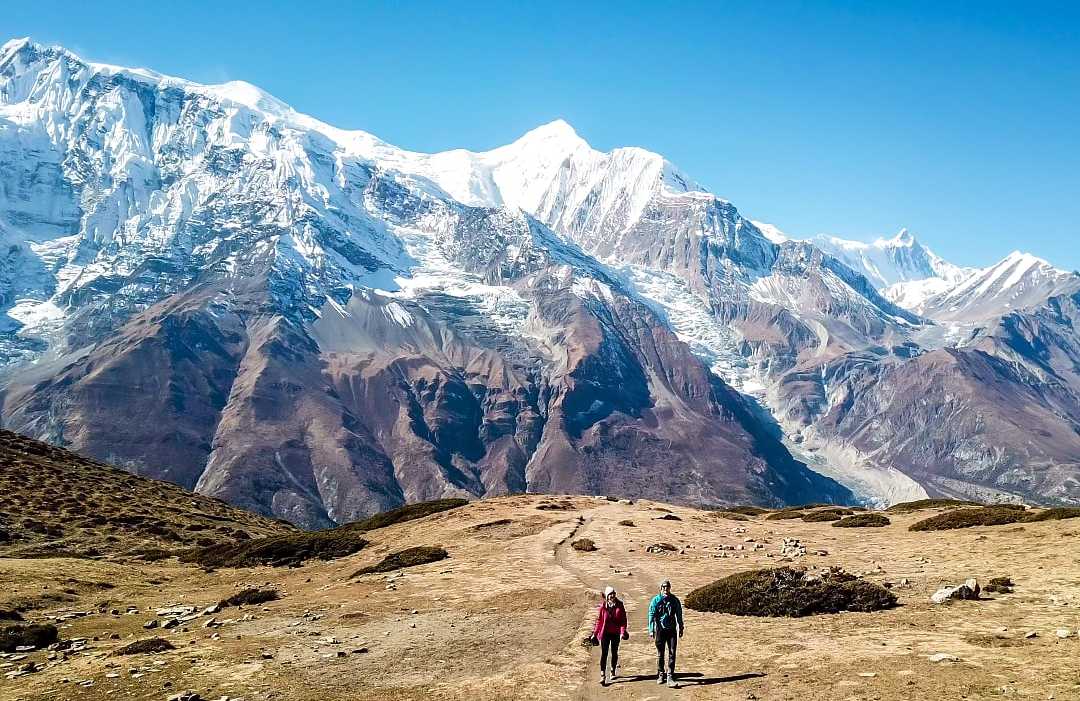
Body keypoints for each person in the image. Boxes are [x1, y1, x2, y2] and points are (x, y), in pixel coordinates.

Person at [648, 579, 684, 687]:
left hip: (672, 630)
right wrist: (651, 629)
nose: (665, 589)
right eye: (663, 587)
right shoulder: (656, 600)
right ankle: (660, 674)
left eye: (667, 587)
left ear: (670, 588)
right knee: (660, 653)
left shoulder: (674, 600)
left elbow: (679, 614)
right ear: (660, 589)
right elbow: (651, 614)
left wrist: (681, 627)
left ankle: (670, 675)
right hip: (660, 630)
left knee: (672, 652)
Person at [591, 585, 629, 686]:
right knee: (604, 653)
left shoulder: (620, 605)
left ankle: (612, 670)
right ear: (607, 596)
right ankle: (603, 674)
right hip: (605, 633)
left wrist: (622, 632)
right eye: (610, 594)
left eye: (613, 594)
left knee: (614, 652)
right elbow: (599, 621)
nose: (612, 596)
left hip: (615, 633)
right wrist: (595, 634)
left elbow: (623, 620)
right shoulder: (603, 607)